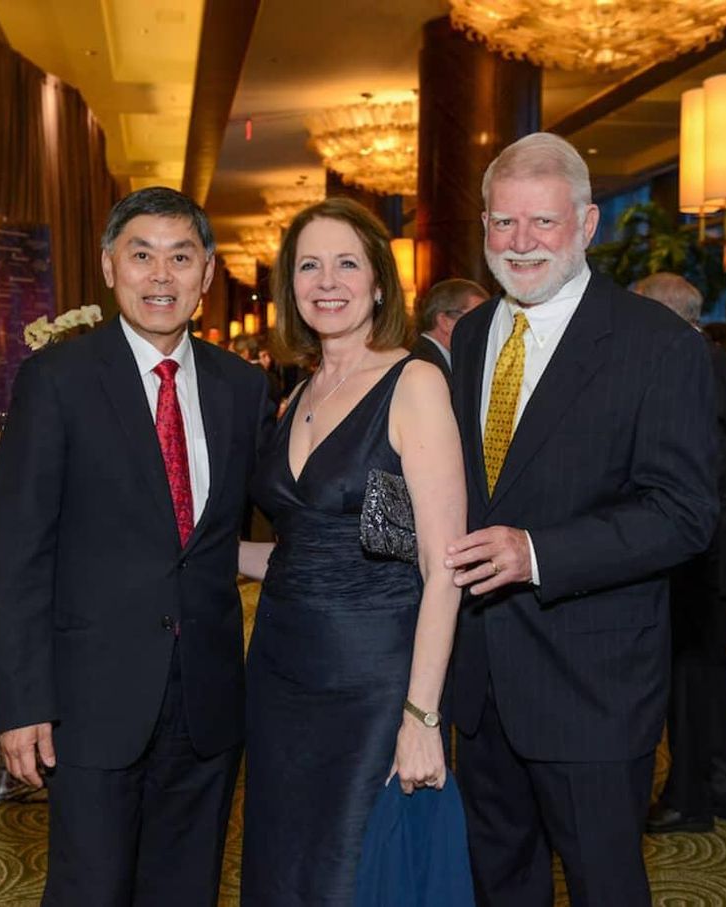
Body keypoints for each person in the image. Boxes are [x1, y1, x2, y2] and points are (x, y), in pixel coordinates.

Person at [444, 133, 718, 906]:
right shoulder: (471, 335)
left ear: (589, 224)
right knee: (498, 884)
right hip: (483, 683)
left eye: (543, 223)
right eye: (503, 223)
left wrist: (536, 552)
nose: (520, 243)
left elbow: (685, 514)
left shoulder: (657, 346)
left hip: (593, 689)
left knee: (605, 888)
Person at [0, 187, 274, 907]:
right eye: (142, 256)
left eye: (181, 257)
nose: (161, 276)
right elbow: (15, 551)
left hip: (207, 699)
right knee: (92, 888)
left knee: (187, 888)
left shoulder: (243, 388)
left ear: (207, 275)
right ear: (110, 266)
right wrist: (20, 702)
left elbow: (273, 522)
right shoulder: (58, 381)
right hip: (91, 699)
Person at [238, 196, 471, 905]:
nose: (327, 280)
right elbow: (297, 554)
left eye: (347, 263)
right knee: (286, 869)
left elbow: (443, 567)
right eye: (310, 265)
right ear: (290, 287)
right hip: (279, 676)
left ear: (378, 282)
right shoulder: (295, 395)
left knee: (353, 872)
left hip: (372, 683)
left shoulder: (415, 383)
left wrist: (422, 715)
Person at [633, 272, 726, 834]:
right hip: (720, 551)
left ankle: (689, 801)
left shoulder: (694, 366)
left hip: (704, 555)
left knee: (689, 680)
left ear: (662, 316)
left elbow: (690, 474)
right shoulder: (713, 359)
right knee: (707, 677)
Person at [411, 278, 489, 386]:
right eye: (477, 320)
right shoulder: (424, 365)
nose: (485, 330)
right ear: (445, 322)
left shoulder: (434, 358)